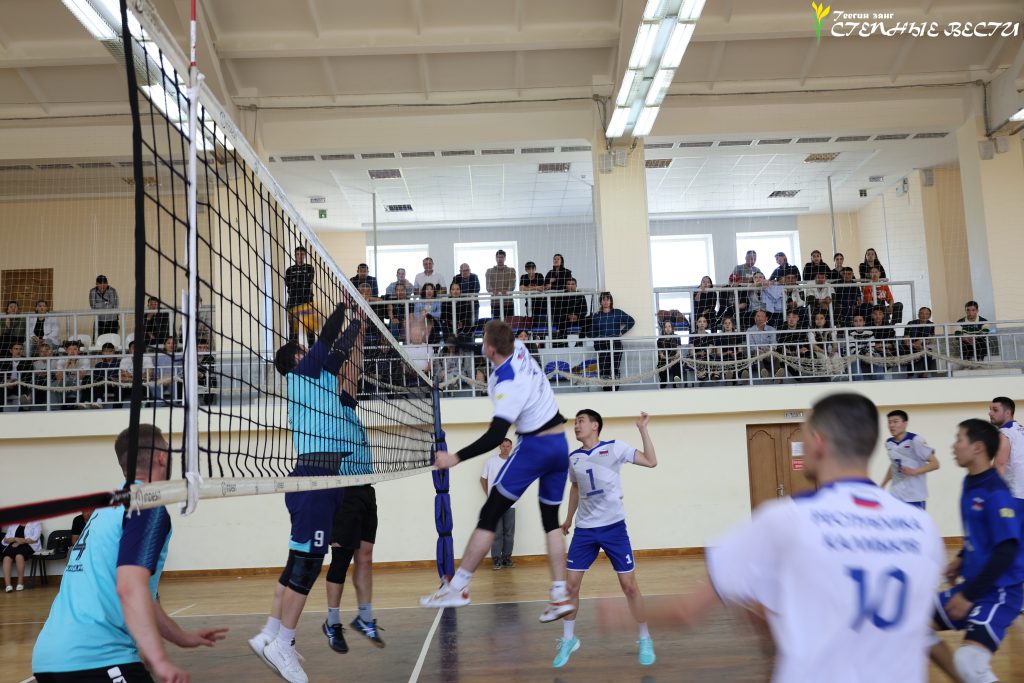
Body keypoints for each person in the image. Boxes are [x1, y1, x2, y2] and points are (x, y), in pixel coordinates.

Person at [598, 393, 944, 683]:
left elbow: (688, 612)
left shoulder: (787, 518)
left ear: (818, 443)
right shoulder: (922, 528)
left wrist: (625, 615)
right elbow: (920, 631)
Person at [32, 424, 228, 681]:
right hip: (97, 658)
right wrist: (158, 660)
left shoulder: (108, 507)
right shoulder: (147, 505)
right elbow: (129, 587)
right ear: (162, 457)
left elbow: (145, 596)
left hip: (49, 659)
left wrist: (182, 638)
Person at [420, 320, 574, 625]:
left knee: (489, 514)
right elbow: (493, 345)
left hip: (535, 448)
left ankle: (459, 587)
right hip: (559, 445)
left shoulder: (506, 384)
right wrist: (460, 343)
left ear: (490, 349)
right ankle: (560, 594)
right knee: (550, 520)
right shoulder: (520, 348)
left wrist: (455, 458)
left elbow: (495, 436)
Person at [249, 301, 365, 683]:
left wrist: (357, 323)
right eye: (302, 351)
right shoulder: (301, 376)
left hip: (328, 480)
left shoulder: (321, 378)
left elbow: (339, 349)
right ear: (295, 361)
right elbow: (327, 339)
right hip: (313, 478)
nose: (308, 352)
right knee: (308, 565)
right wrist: (342, 307)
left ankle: (272, 635)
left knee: (298, 563)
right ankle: (283, 643)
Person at [556, 410, 658, 669]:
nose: (576, 426)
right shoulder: (574, 458)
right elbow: (575, 488)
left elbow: (651, 461)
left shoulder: (614, 448)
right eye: (575, 422)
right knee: (570, 587)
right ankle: (568, 639)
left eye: (581, 421)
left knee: (629, 586)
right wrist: (568, 519)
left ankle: (645, 637)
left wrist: (642, 429)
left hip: (614, 528)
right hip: (585, 531)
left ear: (595, 425)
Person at [930, 419, 1023, 683]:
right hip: (976, 586)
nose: (953, 446)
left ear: (978, 447)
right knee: (912, 623)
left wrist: (968, 596)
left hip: (1001, 592)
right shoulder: (971, 483)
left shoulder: (996, 492)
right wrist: (960, 559)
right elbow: (981, 535)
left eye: (959, 439)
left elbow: (1006, 550)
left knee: (969, 661)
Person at [322, 394, 385, 654]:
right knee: (341, 559)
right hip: (343, 491)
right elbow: (345, 377)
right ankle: (332, 622)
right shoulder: (330, 409)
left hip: (366, 490)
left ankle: (364, 617)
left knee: (365, 557)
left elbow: (351, 380)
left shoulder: (352, 413)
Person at [879, 410, 938, 509]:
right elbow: (894, 465)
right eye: (889, 422)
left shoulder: (915, 440)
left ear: (905, 423)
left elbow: (935, 464)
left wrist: (914, 471)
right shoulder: (888, 443)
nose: (891, 425)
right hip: (895, 495)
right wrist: (883, 484)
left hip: (914, 497)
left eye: (895, 421)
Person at [481, 438, 517, 570]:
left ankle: (506, 558)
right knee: (497, 532)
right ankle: (496, 559)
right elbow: (483, 479)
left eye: (508, 446)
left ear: (511, 447)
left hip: (511, 504)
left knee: (509, 533)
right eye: (503, 446)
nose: (505, 448)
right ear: (499, 447)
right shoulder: (491, 462)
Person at [589, 292, 635, 391]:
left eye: (608, 299)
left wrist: (622, 332)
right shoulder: (596, 315)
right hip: (602, 345)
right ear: (600, 302)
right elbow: (592, 332)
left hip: (615, 344)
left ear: (611, 301)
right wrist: (596, 344)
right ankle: (606, 388)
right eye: (603, 299)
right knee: (604, 367)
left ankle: (615, 388)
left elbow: (631, 321)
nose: (606, 302)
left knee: (614, 367)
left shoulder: (617, 312)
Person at [990, 396, 1024, 509]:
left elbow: (999, 465)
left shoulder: (1005, 433)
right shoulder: (1021, 430)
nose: (990, 413)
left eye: (995, 410)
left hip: (1014, 495)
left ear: (1008, 413)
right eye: (990, 409)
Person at [285, 245, 317, 345]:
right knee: (293, 329)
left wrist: (296, 280)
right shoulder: (289, 270)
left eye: (302, 254)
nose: (300, 256)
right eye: (298, 254)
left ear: (305, 256)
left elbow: (308, 281)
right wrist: (300, 281)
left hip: (307, 300)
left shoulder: (310, 268)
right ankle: (293, 350)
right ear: (295, 255)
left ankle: (312, 349)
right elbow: (289, 284)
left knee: (310, 327)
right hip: (293, 301)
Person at [2, 520, 41, 592]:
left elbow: (34, 539)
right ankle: (8, 585)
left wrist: (20, 541)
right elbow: (6, 539)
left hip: (28, 545)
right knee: (6, 558)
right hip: (13, 545)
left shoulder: (36, 522)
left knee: (19, 556)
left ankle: (20, 583)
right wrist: (14, 539)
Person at [902, 306, 936, 378]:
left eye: (927, 314)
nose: (924, 315)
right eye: (922, 313)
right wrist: (913, 345)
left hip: (923, 346)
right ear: (918, 314)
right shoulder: (911, 323)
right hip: (910, 345)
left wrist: (921, 342)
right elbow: (906, 338)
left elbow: (930, 338)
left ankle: (925, 374)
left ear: (930, 316)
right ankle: (910, 375)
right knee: (911, 352)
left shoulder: (931, 324)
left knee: (929, 351)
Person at [485, 250, 516, 320]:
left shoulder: (511, 270)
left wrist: (506, 291)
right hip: (495, 302)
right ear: (495, 258)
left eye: (501, 257)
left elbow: (512, 285)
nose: (499, 259)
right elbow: (488, 286)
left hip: (508, 302)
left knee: (509, 323)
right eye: (498, 257)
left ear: (505, 258)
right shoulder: (489, 271)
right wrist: (493, 291)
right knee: (496, 323)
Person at [656, 320, 682, 389]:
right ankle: (663, 383)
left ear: (672, 328)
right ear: (663, 328)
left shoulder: (677, 337)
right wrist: (669, 360)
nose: (667, 328)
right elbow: (661, 355)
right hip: (664, 360)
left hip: (674, 359)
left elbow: (678, 353)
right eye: (666, 327)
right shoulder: (660, 340)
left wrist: (672, 359)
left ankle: (676, 383)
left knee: (676, 364)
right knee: (662, 365)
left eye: (669, 326)